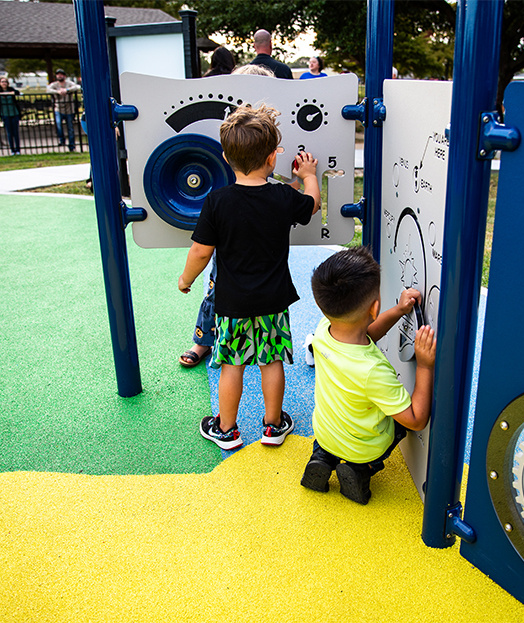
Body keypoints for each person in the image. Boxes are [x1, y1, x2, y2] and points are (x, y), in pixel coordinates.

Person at [178, 103, 320, 450]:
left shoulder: (217, 201)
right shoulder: (283, 196)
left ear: (226, 158)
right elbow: (312, 205)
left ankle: (226, 429)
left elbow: (201, 251)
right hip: (273, 300)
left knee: (232, 365)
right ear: (272, 158)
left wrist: (186, 280)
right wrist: (310, 176)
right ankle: (273, 426)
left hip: (232, 303)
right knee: (270, 361)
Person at [300, 246, 437, 504]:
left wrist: (398, 310)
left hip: (324, 432)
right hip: (363, 448)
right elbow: (416, 420)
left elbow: (367, 333)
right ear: (374, 308)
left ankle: (321, 458)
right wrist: (425, 366)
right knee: (397, 425)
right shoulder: (373, 370)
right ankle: (362, 469)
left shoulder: (322, 331)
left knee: (335, 428)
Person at [177, 63, 277, 369]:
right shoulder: (229, 135)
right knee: (216, 290)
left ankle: (253, 347)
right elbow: (202, 248)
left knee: (248, 294)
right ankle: (204, 340)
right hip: (230, 226)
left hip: (259, 235)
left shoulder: (268, 143)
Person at [46, 69, 81, 152]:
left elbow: (77, 87)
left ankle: (71, 146)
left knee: (70, 128)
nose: (59, 76)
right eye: (58, 74)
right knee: (58, 124)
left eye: (61, 74)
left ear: (64, 76)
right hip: (58, 108)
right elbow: (48, 90)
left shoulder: (69, 83)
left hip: (69, 109)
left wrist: (67, 90)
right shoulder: (54, 85)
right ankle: (62, 140)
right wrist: (58, 91)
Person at [0, 76, 22, 155]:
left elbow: (17, 92)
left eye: (5, 81)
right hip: (5, 114)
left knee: (16, 132)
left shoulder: (11, 89)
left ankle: (18, 149)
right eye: (2, 82)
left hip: (14, 113)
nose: (4, 83)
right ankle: (12, 150)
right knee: (9, 132)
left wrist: (9, 93)